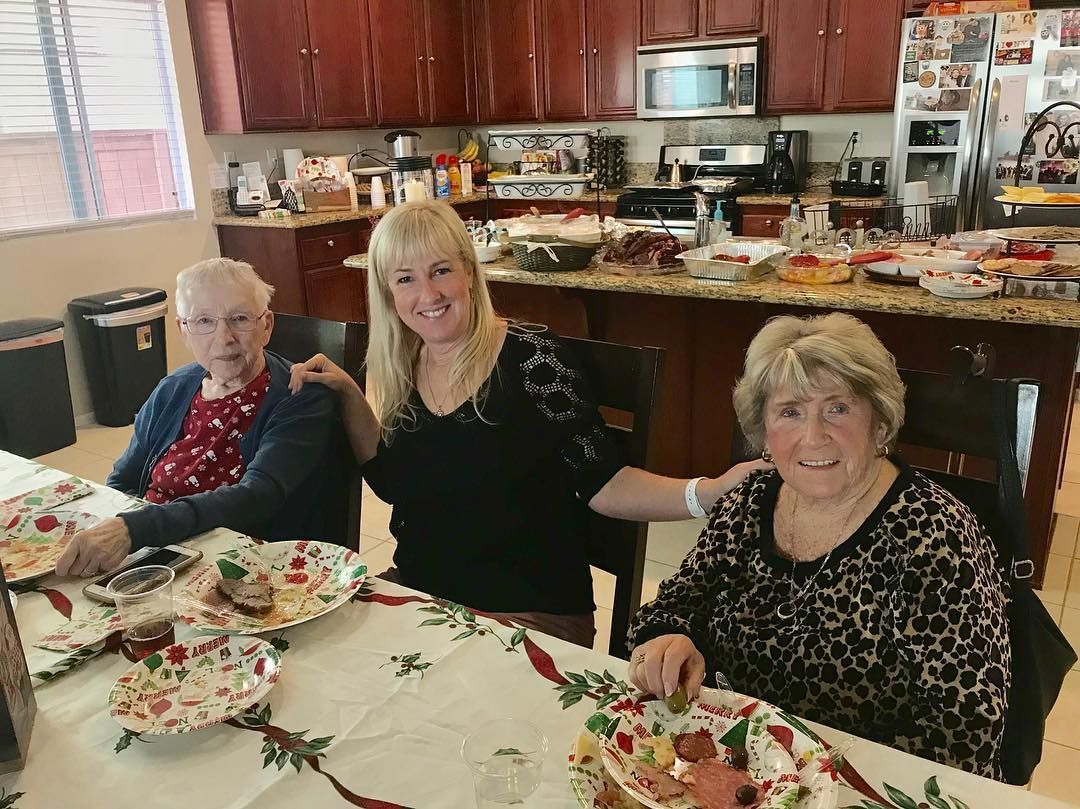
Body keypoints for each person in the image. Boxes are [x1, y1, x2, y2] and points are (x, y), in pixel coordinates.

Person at [288, 201, 767, 647]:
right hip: (425, 597)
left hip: (527, 611)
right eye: (406, 279)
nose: (428, 295)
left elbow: (605, 483)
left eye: (440, 271)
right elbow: (396, 481)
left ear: (470, 273)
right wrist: (350, 392)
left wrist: (706, 493)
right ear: (388, 294)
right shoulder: (402, 363)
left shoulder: (533, 361)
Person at [626, 313, 1011, 779]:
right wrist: (669, 641)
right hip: (733, 770)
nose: (813, 436)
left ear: (879, 420)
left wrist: (810, 778)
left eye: (837, 408)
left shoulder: (936, 536)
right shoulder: (750, 500)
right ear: (763, 432)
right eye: (790, 412)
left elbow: (966, 737)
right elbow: (674, 606)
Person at [56, 258, 339, 577]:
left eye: (240, 318)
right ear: (183, 330)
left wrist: (137, 529)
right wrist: (125, 537)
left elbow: (256, 498)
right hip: (158, 551)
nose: (225, 337)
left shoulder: (298, 394)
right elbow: (123, 480)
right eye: (204, 321)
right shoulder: (172, 389)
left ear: (267, 326)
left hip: (243, 565)